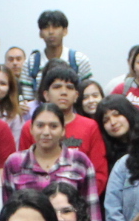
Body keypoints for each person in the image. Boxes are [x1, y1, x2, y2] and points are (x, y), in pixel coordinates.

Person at [1, 103, 102, 221]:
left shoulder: (79, 161)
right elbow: (8, 213)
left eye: (53, 126)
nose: (46, 132)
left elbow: (91, 212)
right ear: (30, 129)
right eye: (40, 125)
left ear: (62, 131)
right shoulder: (15, 163)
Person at [19, 64, 109, 192]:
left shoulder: (90, 127)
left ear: (76, 95)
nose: (63, 92)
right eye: (57, 87)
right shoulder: (30, 127)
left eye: (69, 87)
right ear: (46, 95)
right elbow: (22, 170)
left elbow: (99, 174)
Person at [21, 9, 94, 100]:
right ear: (40, 33)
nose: (51, 32)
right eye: (46, 27)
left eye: (55, 27)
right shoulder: (30, 63)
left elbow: (86, 95)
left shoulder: (79, 60)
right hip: (40, 112)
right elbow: (28, 102)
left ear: (65, 31)